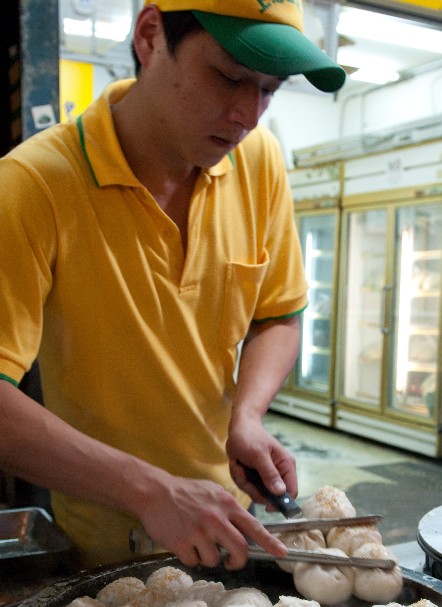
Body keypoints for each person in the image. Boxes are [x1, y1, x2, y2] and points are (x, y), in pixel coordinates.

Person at [0, 1, 346, 570]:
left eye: (268, 90)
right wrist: (150, 490)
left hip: (231, 532)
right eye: (229, 78)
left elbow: (278, 316)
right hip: (104, 552)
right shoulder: (36, 186)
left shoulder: (258, 162)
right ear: (150, 34)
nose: (246, 115)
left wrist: (247, 418)